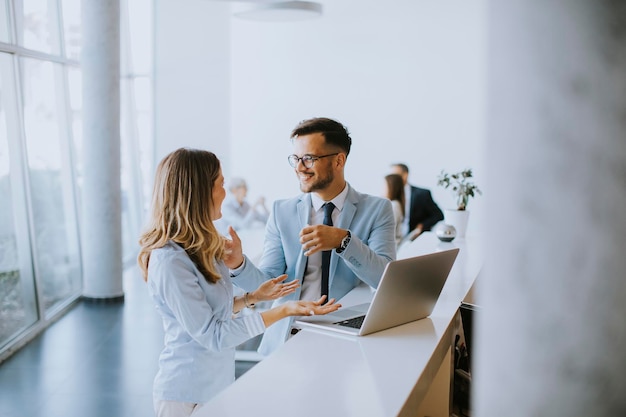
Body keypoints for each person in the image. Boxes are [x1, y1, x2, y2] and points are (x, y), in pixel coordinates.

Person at [137, 148, 341, 417]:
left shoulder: (198, 247)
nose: (226, 192)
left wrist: (252, 297)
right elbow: (213, 334)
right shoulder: (168, 261)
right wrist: (284, 311)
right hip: (185, 395)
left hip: (214, 386)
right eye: (221, 184)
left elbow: (212, 312)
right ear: (200, 192)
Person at [229, 117, 397, 355]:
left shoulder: (377, 210)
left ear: (339, 160)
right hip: (287, 336)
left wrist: (343, 241)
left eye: (309, 158)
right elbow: (266, 284)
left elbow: (385, 280)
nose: (299, 167)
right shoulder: (281, 212)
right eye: (296, 159)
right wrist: (238, 264)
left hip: (345, 337)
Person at [390, 163, 444, 241]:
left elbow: (439, 215)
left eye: (395, 176)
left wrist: (422, 225)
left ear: (405, 175)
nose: (392, 179)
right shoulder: (389, 196)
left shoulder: (422, 194)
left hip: (414, 238)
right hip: (393, 238)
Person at [384, 173, 405, 246]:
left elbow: (387, 232)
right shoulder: (395, 204)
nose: (382, 189)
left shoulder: (394, 205)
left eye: (384, 186)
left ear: (391, 188)